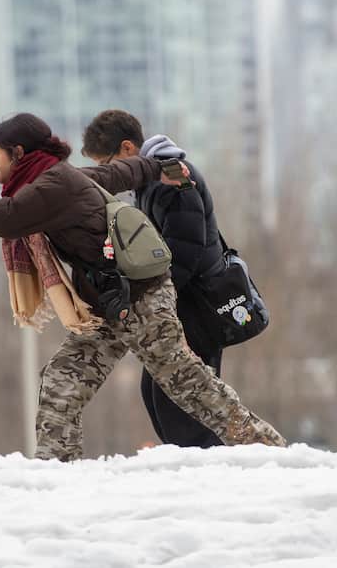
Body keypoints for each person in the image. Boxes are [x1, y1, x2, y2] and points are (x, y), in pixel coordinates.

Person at [0, 113, 285, 461]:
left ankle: (268, 451)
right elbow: (120, 173)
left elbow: (1, 219)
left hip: (143, 298)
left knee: (188, 385)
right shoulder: (59, 179)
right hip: (109, 303)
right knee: (62, 383)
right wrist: (161, 169)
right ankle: (58, 478)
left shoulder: (52, 186)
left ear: (18, 153)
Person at [82, 109, 226, 449]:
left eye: (106, 163)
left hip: (195, 303)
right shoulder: (149, 183)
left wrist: (147, 294)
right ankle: (194, 465)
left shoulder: (171, 180)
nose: (107, 174)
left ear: (128, 149)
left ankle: (208, 468)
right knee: (158, 391)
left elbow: (185, 250)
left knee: (182, 397)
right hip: (183, 301)